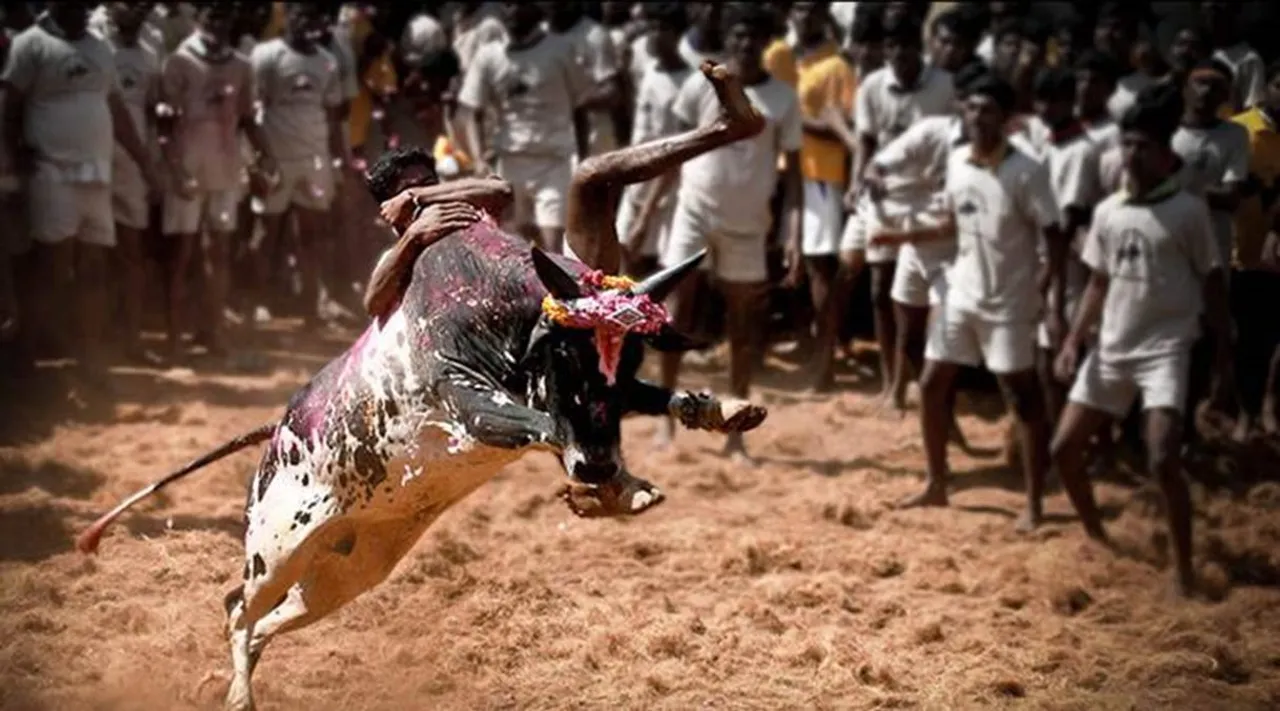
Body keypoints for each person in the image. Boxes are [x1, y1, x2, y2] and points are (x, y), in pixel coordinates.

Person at [370, 58, 771, 341]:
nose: (423, 193)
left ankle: (724, 128)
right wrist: (412, 237)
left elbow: (500, 190)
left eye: (427, 182)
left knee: (591, 177)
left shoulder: (459, 205)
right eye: (407, 193)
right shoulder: (400, 254)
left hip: (564, 286)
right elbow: (374, 302)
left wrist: (419, 193)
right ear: (389, 211)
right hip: (532, 325)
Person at [1050, 82, 1234, 598]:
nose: (1130, 155)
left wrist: (1222, 351)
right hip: (1111, 347)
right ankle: (1096, 536)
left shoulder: (1188, 211)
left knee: (1160, 458)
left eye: (1141, 146)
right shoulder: (1108, 210)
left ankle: (1183, 570)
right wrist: (1072, 341)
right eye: (1125, 144)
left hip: (1166, 350)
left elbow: (1213, 282)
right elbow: (1098, 283)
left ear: (1163, 151)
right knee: (1063, 450)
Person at [870, 73, 1060, 532]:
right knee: (933, 385)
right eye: (972, 109)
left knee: (1022, 397)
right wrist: (901, 236)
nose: (977, 117)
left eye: (988, 110)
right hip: (963, 293)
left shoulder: (1028, 171)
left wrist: (1043, 293)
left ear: (1008, 120)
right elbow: (950, 226)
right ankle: (937, 483)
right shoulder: (956, 161)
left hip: (1011, 303)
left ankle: (1035, 504)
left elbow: (1054, 239)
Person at [654, 3, 801, 464]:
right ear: (728, 39)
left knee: (742, 328)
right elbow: (671, 150)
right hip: (694, 211)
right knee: (674, 316)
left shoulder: (783, 98)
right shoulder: (703, 87)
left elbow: (794, 176)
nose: (744, 45)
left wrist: (794, 230)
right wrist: (645, 211)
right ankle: (666, 421)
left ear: (765, 44)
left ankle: (736, 433)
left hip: (748, 224)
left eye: (753, 38)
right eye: (737, 36)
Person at [2, 1, 157, 383]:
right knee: (53, 268)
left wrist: (143, 161)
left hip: (96, 175)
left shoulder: (99, 46)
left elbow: (117, 108)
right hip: (51, 173)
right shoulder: (31, 44)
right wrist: (14, 153)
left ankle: (90, 355)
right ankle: (34, 360)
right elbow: (10, 105)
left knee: (93, 269)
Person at [845, 11, 954, 407]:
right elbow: (865, 141)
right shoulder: (872, 86)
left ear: (919, 49)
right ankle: (891, 382)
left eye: (906, 46)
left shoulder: (945, 86)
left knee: (914, 298)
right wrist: (857, 182)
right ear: (885, 51)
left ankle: (915, 381)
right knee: (879, 290)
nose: (899, 54)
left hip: (927, 198)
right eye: (892, 47)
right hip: (883, 194)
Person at [161, 2, 274, 357]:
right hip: (188, 168)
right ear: (199, 19)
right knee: (183, 253)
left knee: (219, 251)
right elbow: (164, 126)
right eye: (211, 17)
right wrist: (175, 169)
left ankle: (214, 333)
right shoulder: (179, 62)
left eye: (223, 18)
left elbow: (248, 118)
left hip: (225, 170)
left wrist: (266, 155)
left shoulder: (241, 66)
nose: (217, 24)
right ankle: (176, 340)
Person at [763, 1, 856, 392]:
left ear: (823, 16)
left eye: (811, 9)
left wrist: (797, 122)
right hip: (775, 171)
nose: (803, 16)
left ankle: (825, 362)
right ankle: (800, 343)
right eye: (797, 8)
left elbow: (848, 131)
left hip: (820, 174)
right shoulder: (776, 56)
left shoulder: (837, 66)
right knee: (780, 266)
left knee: (819, 268)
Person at [456, 3, 589, 253]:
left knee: (552, 248)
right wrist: (478, 159)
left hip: (554, 161)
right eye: (506, 5)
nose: (511, 12)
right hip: (510, 162)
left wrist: (583, 158)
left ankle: (556, 291)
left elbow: (580, 108)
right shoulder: (489, 56)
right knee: (519, 243)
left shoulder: (561, 50)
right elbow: (472, 110)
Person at [250, 1, 349, 327]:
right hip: (276, 156)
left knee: (313, 233)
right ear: (288, 16)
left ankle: (311, 305)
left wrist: (340, 159)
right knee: (268, 232)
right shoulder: (267, 55)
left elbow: (333, 115)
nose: (307, 22)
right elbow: (252, 112)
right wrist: (257, 160)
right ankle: (260, 300)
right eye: (301, 14)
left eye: (314, 15)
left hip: (315, 157)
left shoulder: (327, 62)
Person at [1029, 66, 1104, 428]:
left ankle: (1080, 437)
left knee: (1067, 350)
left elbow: (1067, 224)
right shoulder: (1047, 140)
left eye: (1052, 100)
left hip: (1068, 262)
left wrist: (1049, 285)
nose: (1044, 107)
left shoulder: (1081, 151)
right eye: (1040, 99)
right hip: (1043, 256)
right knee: (1045, 354)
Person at [99, 2, 161, 363]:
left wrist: (151, 165)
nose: (134, 10)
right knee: (90, 255)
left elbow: (152, 113)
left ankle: (132, 340)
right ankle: (91, 340)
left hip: (132, 165)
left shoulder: (150, 55)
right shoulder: (98, 46)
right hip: (92, 157)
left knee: (131, 253)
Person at [616, 2, 692, 278]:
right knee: (624, 254)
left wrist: (646, 214)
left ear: (678, 34)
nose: (655, 35)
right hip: (637, 178)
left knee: (662, 269)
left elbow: (678, 153)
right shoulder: (649, 71)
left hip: (668, 189)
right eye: (652, 27)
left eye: (664, 29)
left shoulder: (690, 83)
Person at [1229, 59, 1280, 438]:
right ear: (1269, 86)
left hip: (1274, 255)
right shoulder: (1238, 130)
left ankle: (1267, 407)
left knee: (1267, 339)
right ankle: (1241, 412)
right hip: (1236, 252)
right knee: (1242, 339)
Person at [542, 1, 622, 158]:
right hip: (551, 139)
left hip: (594, 137)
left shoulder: (595, 36)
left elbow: (613, 92)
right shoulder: (541, 34)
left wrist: (575, 101)